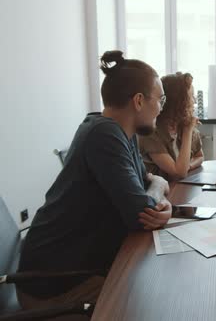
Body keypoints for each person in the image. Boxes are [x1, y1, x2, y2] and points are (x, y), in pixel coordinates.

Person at [16, 51, 172, 313]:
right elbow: (141, 212)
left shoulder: (121, 133)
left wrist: (156, 190)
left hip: (75, 271)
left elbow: (142, 187)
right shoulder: (104, 135)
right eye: (160, 100)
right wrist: (159, 187)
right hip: (52, 289)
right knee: (155, 299)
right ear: (138, 101)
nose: (161, 108)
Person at [139, 72, 204, 181]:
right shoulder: (151, 132)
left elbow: (199, 156)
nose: (195, 101)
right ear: (178, 102)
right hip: (159, 193)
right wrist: (188, 132)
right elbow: (178, 173)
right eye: (191, 96)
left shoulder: (183, 124)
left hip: (179, 188)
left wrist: (188, 166)